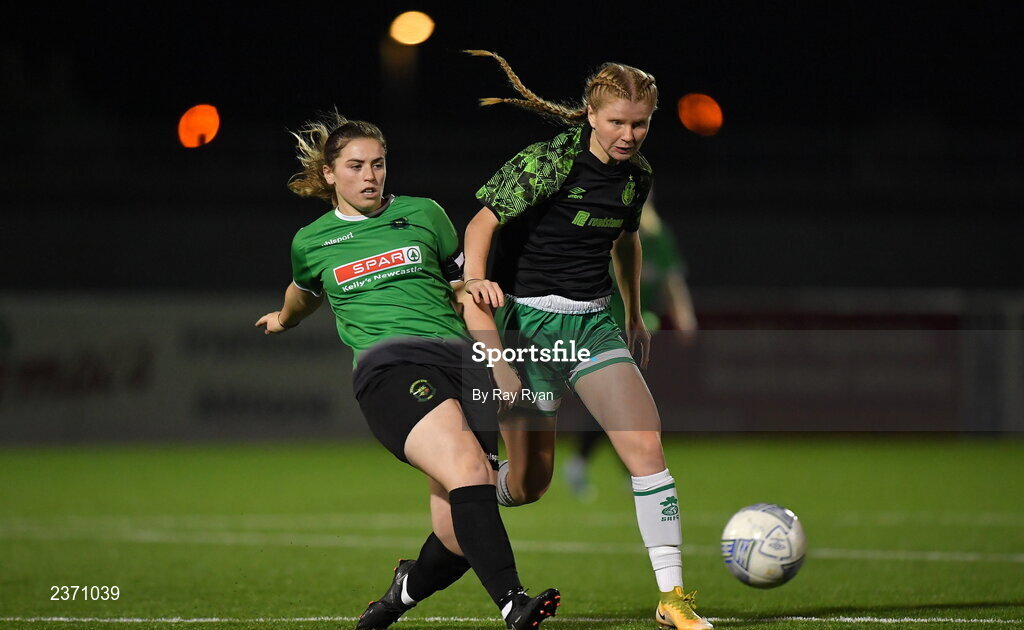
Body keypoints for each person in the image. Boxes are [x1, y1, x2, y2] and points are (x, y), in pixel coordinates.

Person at [254, 110, 559, 630]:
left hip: (461, 365)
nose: (370, 176)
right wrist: (284, 319)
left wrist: (498, 358)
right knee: (469, 472)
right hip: (388, 369)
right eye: (355, 166)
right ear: (330, 174)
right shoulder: (313, 241)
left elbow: (466, 292)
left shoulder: (424, 214)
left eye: (378, 164)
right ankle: (514, 603)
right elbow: (302, 294)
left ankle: (398, 596)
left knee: (456, 534)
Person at [461, 51, 712, 630]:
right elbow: (481, 224)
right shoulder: (550, 161)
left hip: (593, 323)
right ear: (592, 115)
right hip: (529, 330)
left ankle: (673, 598)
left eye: (641, 123)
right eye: (618, 121)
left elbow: (626, 242)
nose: (629, 135)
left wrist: (632, 315)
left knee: (646, 449)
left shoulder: (638, 175)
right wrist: (476, 282)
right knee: (528, 486)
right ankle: (475, 485)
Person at [563, 195, 698, 501]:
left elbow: (671, 280)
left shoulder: (657, 235)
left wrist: (684, 316)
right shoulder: (606, 228)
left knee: (623, 405)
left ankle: (601, 466)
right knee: (613, 404)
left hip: (639, 333)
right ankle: (620, 469)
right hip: (599, 330)